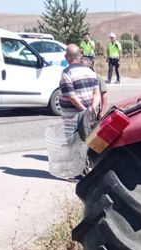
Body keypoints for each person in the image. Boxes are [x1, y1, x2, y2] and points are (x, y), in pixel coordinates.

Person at [52, 44, 100, 180]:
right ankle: (87, 172)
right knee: (85, 142)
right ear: (79, 56)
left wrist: (84, 111)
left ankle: (79, 174)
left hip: (73, 117)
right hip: (87, 116)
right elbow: (97, 93)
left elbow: (71, 96)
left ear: (66, 57)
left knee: (74, 144)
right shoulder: (90, 72)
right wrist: (91, 110)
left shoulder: (67, 73)